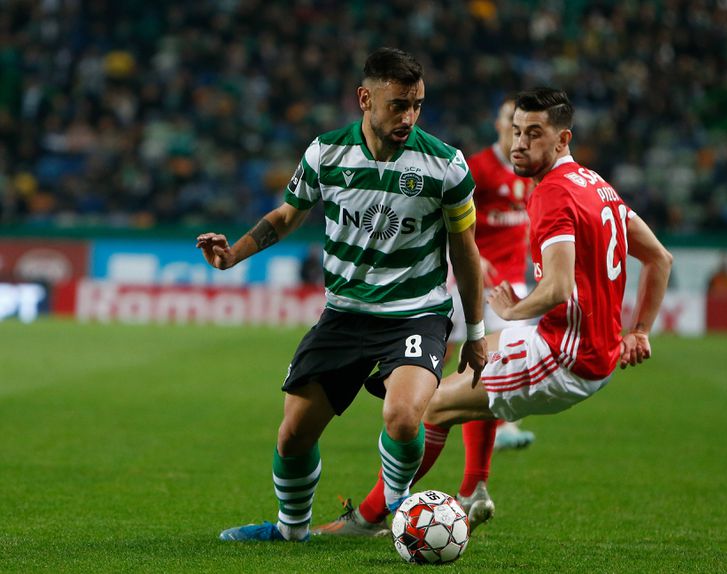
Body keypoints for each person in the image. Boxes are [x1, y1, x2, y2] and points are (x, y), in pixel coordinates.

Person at [313, 87, 673, 536]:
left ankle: (364, 520)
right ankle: (471, 490)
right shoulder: (596, 184)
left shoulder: (553, 194)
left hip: (565, 355)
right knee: (474, 363)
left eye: (534, 134)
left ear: (563, 140)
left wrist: (517, 307)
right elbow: (660, 258)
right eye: (516, 131)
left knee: (431, 409)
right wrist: (638, 331)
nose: (520, 143)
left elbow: (558, 287)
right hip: (576, 342)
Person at [196, 47, 487, 543]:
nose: (409, 117)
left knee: (401, 415)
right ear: (364, 98)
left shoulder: (446, 166)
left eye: (417, 105)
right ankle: (292, 532)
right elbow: (287, 216)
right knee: (292, 436)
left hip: (415, 315)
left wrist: (476, 333)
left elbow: (466, 252)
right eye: (398, 104)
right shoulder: (325, 153)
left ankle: (395, 518)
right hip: (345, 316)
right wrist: (232, 256)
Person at [451, 97, 536, 458]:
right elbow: (451, 216)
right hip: (472, 279)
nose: (515, 131)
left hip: (512, 281)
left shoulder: (530, 169)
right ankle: (435, 410)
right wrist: (476, 255)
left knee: (506, 353)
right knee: (456, 353)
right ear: (500, 125)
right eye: (509, 121)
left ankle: (501, 424)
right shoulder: (479, 168)